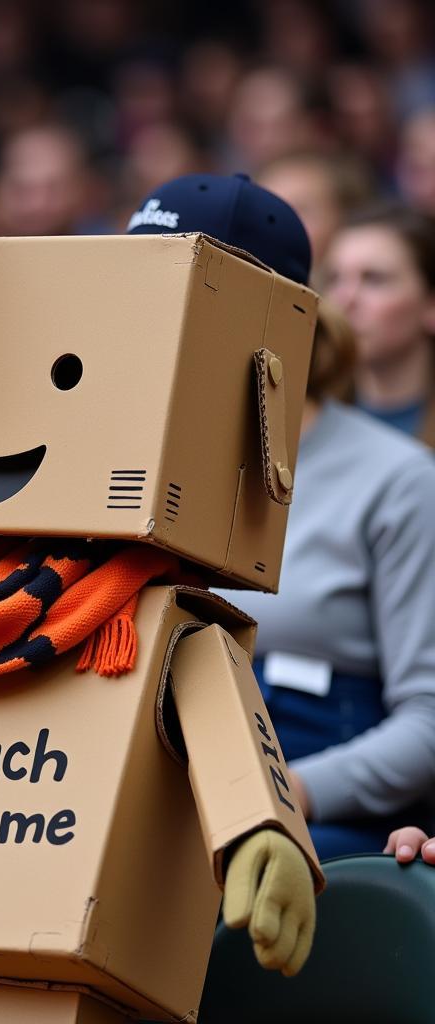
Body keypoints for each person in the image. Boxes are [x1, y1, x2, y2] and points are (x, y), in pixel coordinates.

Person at [128, 173, 435, 861]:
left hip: (306, 786)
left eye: (181, 288)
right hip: (143, 775)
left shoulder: (399, 479)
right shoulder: (116, 448)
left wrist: (283, 789)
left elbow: (430, 721)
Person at [323, 201, 435, 444]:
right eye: (334, 279)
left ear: (430, 303)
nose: (345, 299)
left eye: (374, 279)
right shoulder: (304, 419)